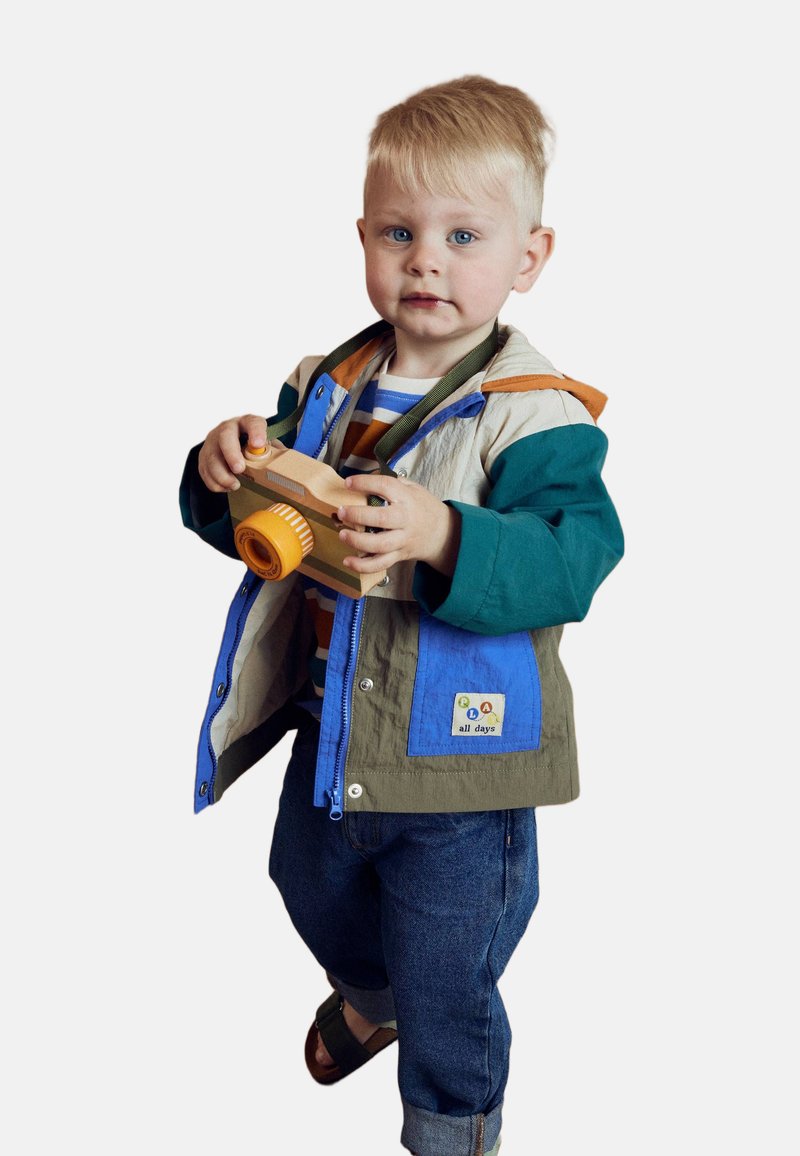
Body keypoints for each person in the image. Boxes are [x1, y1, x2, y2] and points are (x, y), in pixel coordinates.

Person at [180, 75, 624, 1156]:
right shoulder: (327, 382)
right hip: (331, 727)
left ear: (527, 257)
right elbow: (248, 516)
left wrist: (444, 536)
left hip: (457, 759)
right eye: (398, 230)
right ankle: (368, 994)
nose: (424, 258)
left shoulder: (535, 413)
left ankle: (449, 1122)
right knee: (305, 878)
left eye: (462, 234)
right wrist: (219, 468)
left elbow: (578, 556)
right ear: (364, 238)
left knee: (449, 966)